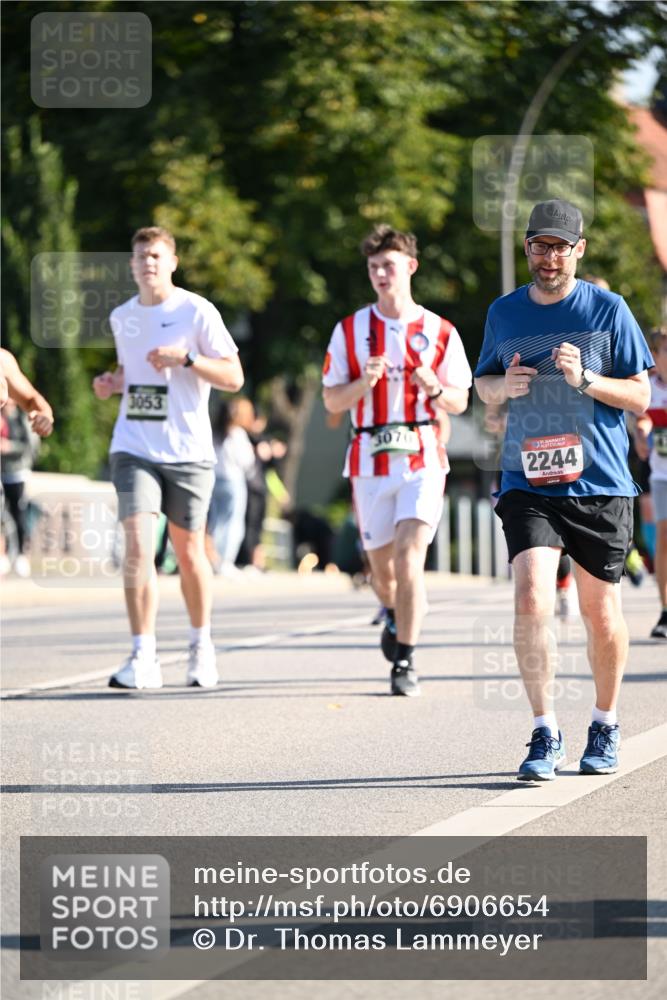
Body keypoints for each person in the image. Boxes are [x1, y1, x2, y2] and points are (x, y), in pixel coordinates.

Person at [474, 198, 652, 780]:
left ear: (578, 250)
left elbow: (641, 396)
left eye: (559, 247)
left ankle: (604, 720)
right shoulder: (504, 313)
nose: (548, 257)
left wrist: (589, 379)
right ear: (527, 248)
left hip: (600, 480)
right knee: (530, 595)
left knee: (601, 613)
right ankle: (544, 730)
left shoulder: (609, 309)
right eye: (538, 245)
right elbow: (484, 387)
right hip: (527, 478)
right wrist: (507, 384)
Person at [322, 224, 472, 696]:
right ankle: (391, 612)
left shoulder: (439, 330)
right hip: (368, 459)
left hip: (423, 457)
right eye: (373, 268)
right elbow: (331, 401)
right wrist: (361, 386)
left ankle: (405, 660)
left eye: (389, 265)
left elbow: (461, 400)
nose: (381, 274)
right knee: (381, 573)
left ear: (410, 266)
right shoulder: (350, 330)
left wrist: (434, 388)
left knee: (409, 560)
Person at [93, 226, 243, 689]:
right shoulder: (122, 317)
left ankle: (201, 646)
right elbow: (131, 373)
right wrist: (112, 383)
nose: (148, 264)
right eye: (140, 257)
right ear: (132, 266)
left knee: (189, 552)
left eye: (156, 256)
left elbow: (234, 377)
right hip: (134, 445)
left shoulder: (197, 310)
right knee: (138, 549)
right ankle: (143, 656)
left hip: (188, 450)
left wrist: (187, 360)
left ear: (173, 262)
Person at [634, 328, 667, 639]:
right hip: (661, 476)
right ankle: (665, 611)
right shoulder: (651, 389)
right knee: (663, 542)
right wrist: (641, 433)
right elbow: (641, 418)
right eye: (665, 352)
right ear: (655, 358)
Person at [206, 398, 256, 578]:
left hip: (214, 480)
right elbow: (246, 461)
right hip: (233, 481)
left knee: (216, 522)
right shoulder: (237, 434)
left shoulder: (215, 433)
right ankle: (225, 561)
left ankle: (213, 559)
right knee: (232, 523)